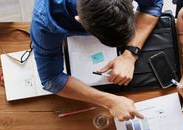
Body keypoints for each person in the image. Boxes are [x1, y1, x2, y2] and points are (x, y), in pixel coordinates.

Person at [30, 0, 163, 121]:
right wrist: (109, 101)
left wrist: (129, 54)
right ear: (79, 20)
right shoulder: (45, 19)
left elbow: (154, 4)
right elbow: (51, 79)